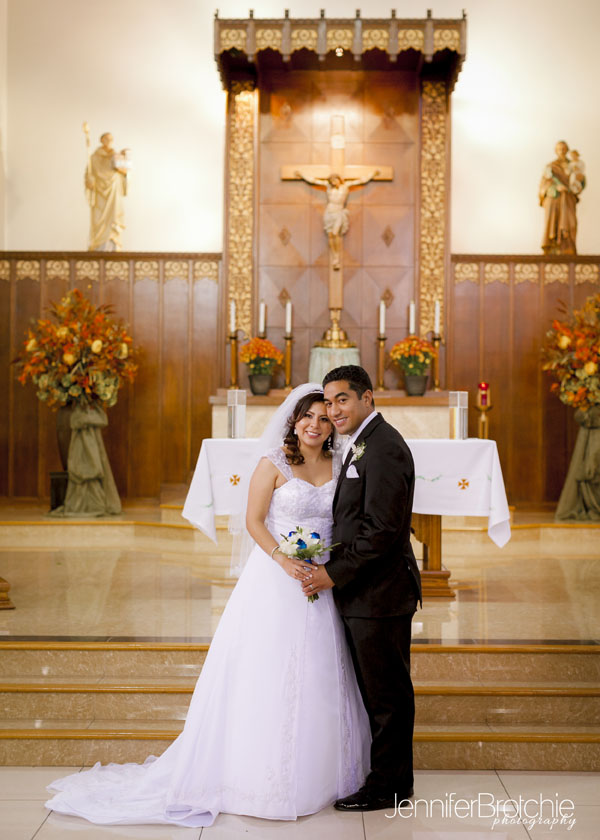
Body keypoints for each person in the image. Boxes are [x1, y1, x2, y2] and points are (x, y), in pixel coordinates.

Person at [45, 384, 370, 827]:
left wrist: (323, 565)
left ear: (333, 422)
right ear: (294, 420)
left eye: (324, 417)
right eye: (307, 417)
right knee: (267, 670)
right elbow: (254, 521)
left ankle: (322, 772)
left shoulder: (341, 461)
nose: (315, 425)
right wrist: (283, 560)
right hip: (277, 581)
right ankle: (257, 776)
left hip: (323, 580)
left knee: (320, 669)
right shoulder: (273, 462)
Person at [301, 364, 422, 812]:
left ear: (367, 398)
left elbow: (382, 530)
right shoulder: (361, 442)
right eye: (328, 402)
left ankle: (389, 786)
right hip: (365, 593)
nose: (332, 410)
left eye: (342, 400)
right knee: (375, 691)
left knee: (387, 694)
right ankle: (386, 776)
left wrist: (333, 573)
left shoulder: (385, 447)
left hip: (381, 593)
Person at [294, 169, 379, 270]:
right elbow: (314, 181)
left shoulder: (346, 186)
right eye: (332, 181)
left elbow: (361, 181)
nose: (334, 182)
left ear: (339, 179)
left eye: (335, 180)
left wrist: (372, 174)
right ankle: (334, 255)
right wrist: (302, 175)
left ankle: (337, 256)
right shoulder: (328, 187)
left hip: (339, 212)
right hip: (329, 213)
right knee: (330, 235)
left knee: (335, 233)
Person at [539, 140, 584, 256]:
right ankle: (552, 247)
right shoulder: (551, 166)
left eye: (564, 149)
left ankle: (568, 248)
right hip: (554, 199)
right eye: (559, 149)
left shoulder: (574, 165)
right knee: (552, 223)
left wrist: (580, 180)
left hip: (568, 199)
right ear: (556, 151)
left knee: (571, 223)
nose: (562, 151)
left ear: (567, 150)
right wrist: (555, 187)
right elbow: (543, 184)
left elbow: (580, 182)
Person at [85, 132, 128, 251]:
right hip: (99, 192)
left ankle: (113, 245)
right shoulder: (94, 157)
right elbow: (89, 174)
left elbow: (125, 172)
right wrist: (89, 181)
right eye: (106, 139)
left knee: (113, 219)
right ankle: (98, 245)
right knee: (99, 218)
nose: (108, 141)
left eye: (111, 139)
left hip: (113, 191)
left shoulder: (116, 156)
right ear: (101, 140)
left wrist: (124, 161)